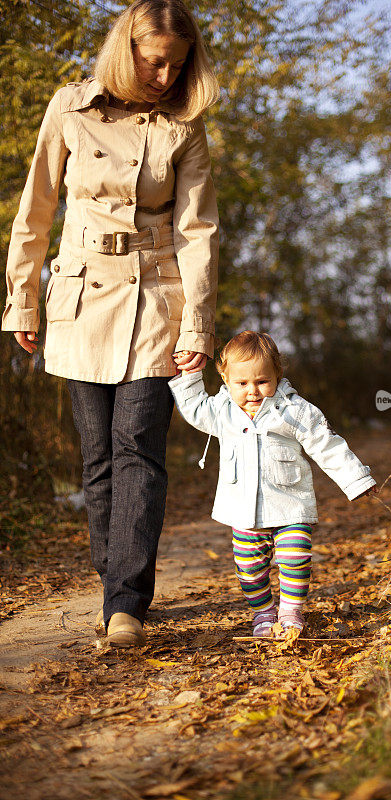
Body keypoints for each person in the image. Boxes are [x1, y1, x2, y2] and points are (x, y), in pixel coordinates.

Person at [2, 0, 220, 647]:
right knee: (96, 455)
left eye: (176, 65)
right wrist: (23, 298)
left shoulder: (184, 125)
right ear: (125, 51)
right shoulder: (69, 107)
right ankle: (112, 581)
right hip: (78, 295)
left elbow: (199, 234)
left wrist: (197, 325)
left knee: (137, 451)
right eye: (154, 61)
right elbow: (36, 208)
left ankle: (126, 600)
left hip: (155, 298)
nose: (164, 76)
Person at [169, 331, 377, 637]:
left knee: (295, 559)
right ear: (225, 378)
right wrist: (190, 373)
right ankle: (264, 614)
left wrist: (356, 479)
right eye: (242, 383)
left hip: (290, 504)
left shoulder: (293, 411)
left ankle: (291, 612)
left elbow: (326, 444)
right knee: (250, 571)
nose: (252, 391)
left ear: (277, 375)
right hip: (243, 510)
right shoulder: (221, 412)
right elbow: (195, 408)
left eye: (262, 381)